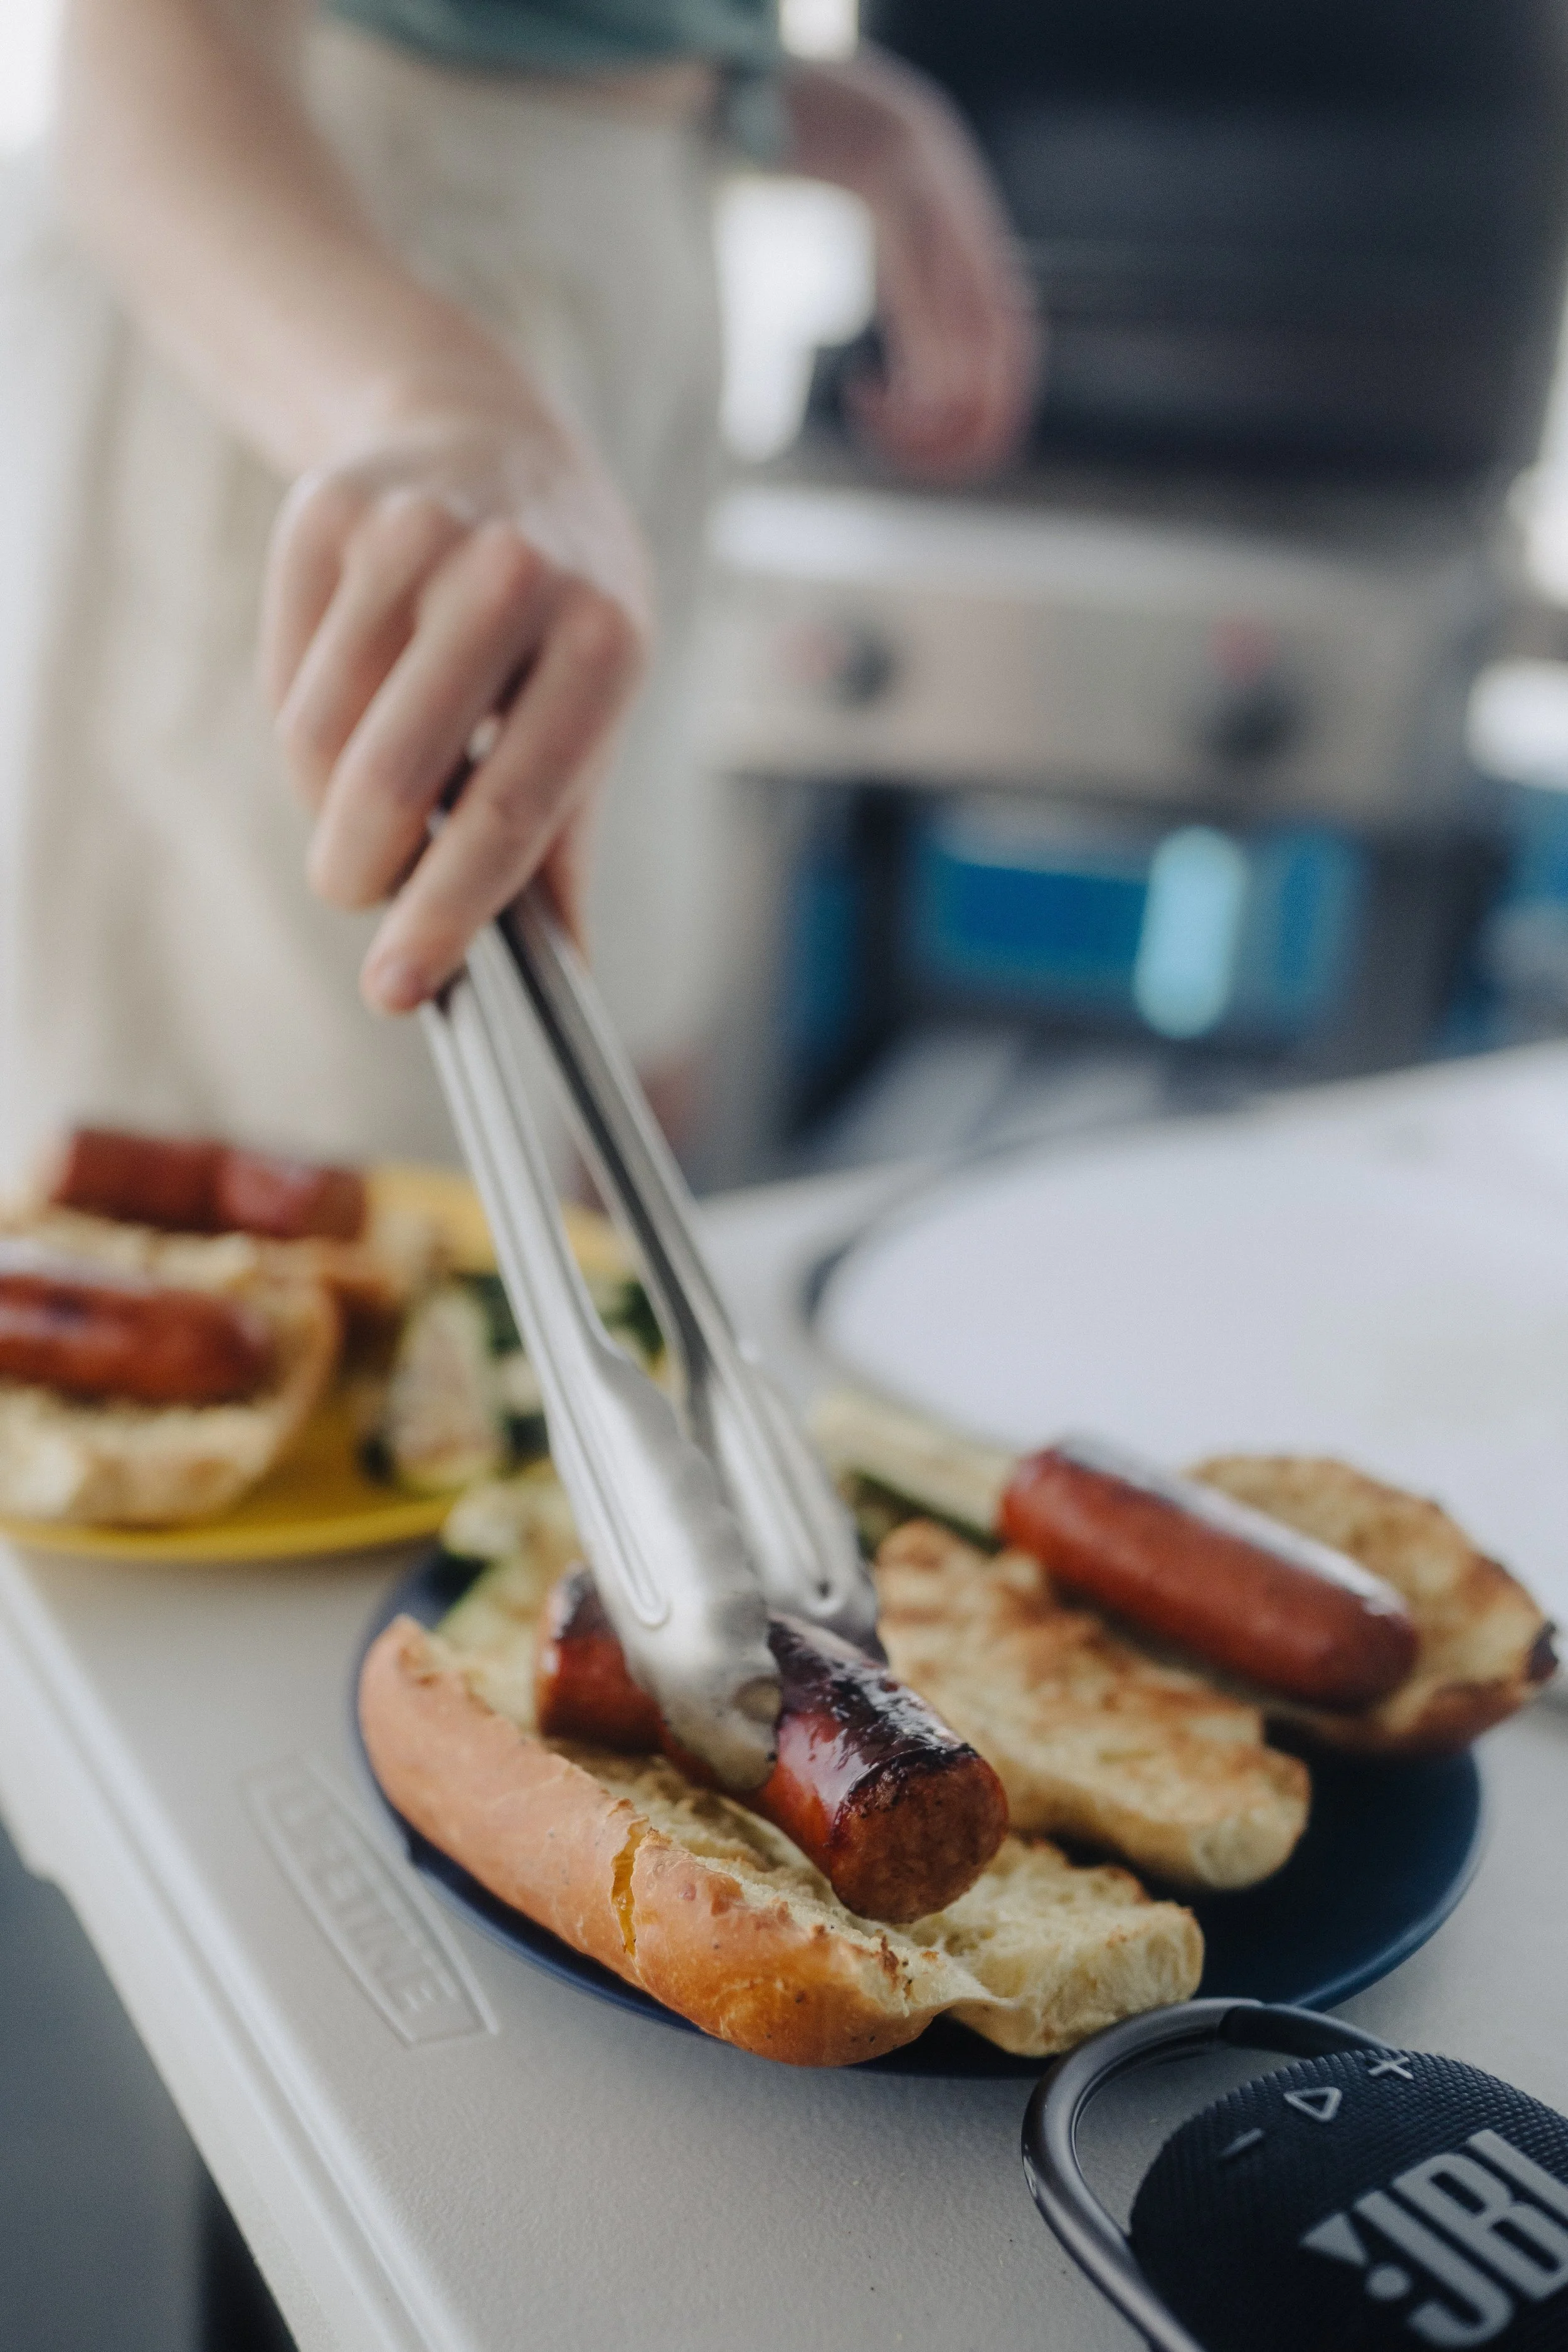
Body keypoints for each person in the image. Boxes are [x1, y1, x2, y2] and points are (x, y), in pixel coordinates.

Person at [0, 0, 1034, 1182]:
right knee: (318, 1207)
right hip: (324, 310)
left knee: (592, 1132)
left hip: (622, 303)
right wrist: (435, 408)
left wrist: (778, 91)